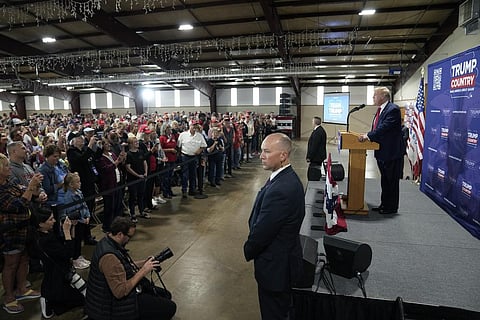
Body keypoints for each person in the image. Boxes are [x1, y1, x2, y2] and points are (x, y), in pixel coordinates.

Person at [243, 133, 305, 320]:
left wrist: (249, 249)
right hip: (281, 260)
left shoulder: (281, 189)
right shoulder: (282, 178)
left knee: (274, 312)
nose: (261, 155)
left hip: (275, 267)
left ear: (283, 156)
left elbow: (263, 231)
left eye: (267, 151)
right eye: (262, 150)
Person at [85, 216, 177, 320]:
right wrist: (144, 270)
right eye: (129, 236)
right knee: (170, 307)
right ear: (120, 234)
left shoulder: (108, 241)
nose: (129, 240)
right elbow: (120, 292)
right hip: (110, 307)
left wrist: (144, 263)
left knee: (166, 295)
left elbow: (122, 266)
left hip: (109, 297)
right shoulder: (109, 257)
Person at [0, 153, 42, 314]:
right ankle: (9, 298)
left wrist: (32, 188)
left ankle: (22, 289)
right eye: (5, 166)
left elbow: (25, 194)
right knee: (10, 264)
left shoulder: (9, 183)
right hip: (10, 233)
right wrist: (31, 187)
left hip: (23, 230)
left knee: (24, 258)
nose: (8, 167)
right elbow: (19, 204)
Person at [358, 86, 404, 214]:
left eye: (375, 95)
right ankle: (384, 204)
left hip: (391, 152)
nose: (373, 97)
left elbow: (384, 127)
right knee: (385, 180)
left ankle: (391, 207)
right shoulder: (381, 110)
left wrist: (367, 136)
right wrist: (368, 134)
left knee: (391, 181)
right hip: (382, 151)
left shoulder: (393, 109)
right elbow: (377, 128)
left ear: (383, 96)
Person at [33, 207, 85, 318]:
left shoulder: (44, 235)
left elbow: (68, 249)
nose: (54, 221)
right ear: (41, 224)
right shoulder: (45, 241)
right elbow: (68, 254)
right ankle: (47, 301)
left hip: (54, 279)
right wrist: (66, 231)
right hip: (58, 282)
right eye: (51, 219)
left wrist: (72, 229)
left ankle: (47, 298)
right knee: (83, 299)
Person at [306, 116, 327, 181]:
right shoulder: (320, 130)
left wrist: (309, 156)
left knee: (313, 171)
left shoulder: (317, 132)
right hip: (319, 155)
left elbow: (314, 146)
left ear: (315, 122)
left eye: (312, 121)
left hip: (316, 156)